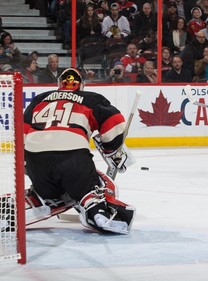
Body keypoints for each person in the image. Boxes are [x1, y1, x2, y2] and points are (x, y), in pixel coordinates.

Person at [24, 68, 135, 234]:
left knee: (47, 188)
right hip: (73, 157)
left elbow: (22, 134)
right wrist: (112, 150)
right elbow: (115, 122)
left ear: (59, 85)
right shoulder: (91, 98)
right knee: (96, 183)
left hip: (35, 160)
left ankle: (37, 198)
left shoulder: (39, 99)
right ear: (81, 85)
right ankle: (95, 208)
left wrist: (29, 165)